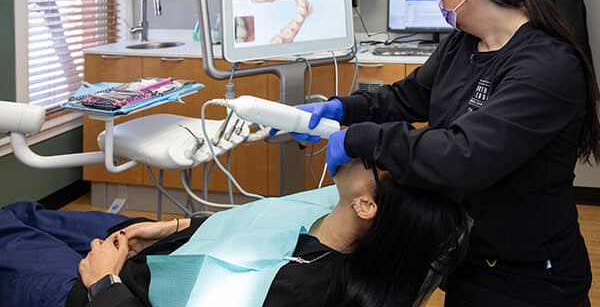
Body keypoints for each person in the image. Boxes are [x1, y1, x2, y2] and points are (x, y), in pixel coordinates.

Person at [289, 0, 598, 307]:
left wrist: (362, 139)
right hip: (469, 255)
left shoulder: (546, 66)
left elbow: (465, 154)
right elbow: (408, 97)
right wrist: (340, 108)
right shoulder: (463, 45)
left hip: (530, 274)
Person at [0, 160, 469, 307]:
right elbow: (253, 226)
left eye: (375, 160)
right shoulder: (332, 207)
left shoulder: (297, 287)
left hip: (106, 291)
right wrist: (176, 227)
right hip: (158, 247)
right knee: (21, 212)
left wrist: (104, 282)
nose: (362, 146)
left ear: (366, 205)